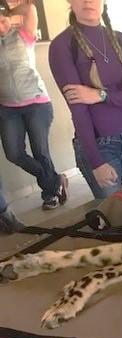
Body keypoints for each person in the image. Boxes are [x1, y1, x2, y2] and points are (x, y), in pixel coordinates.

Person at [48, 0, 122, 199]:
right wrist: (95, 161)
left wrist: (101, 95)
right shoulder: (63, 45)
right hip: (100, 145)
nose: (88, 1)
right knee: (116, 221)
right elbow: (79, 111)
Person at [0, 0, 68, 210]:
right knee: (13, 153)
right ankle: (55, 180)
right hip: (7, 108)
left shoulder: (23, 34)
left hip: (36, 102)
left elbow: (30, 8)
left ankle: (50, 194)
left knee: (40, 151)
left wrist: (8, 15)